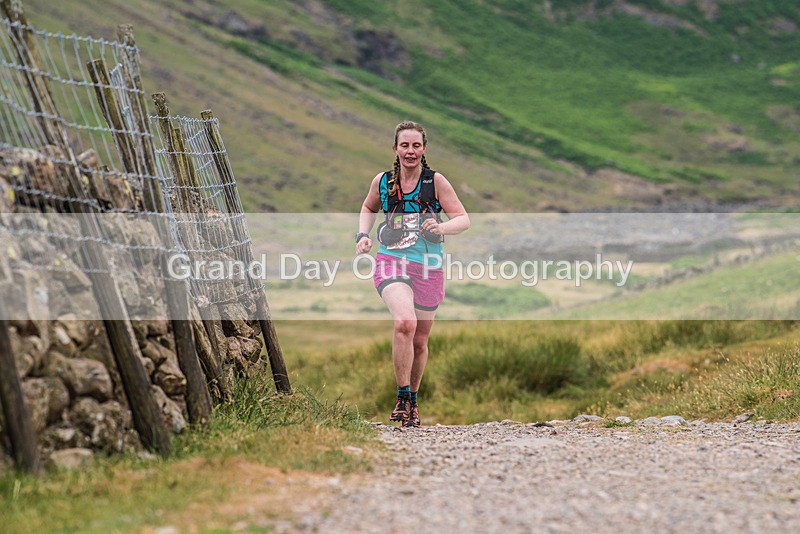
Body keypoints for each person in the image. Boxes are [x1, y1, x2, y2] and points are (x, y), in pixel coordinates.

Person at [355, 120, 470, 428]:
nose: (410, 151)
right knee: (405, 322)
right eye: (404, 145)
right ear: (395, 149)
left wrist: (441, 226)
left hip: (429, 268)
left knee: (419, 340)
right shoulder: (383, 182)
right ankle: (402, 396)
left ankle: (413, 403)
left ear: (424, 149)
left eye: (416, 145)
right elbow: (368, 207)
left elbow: (463, 219)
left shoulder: (436, 182)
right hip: (391, 260)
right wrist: (362, 236)